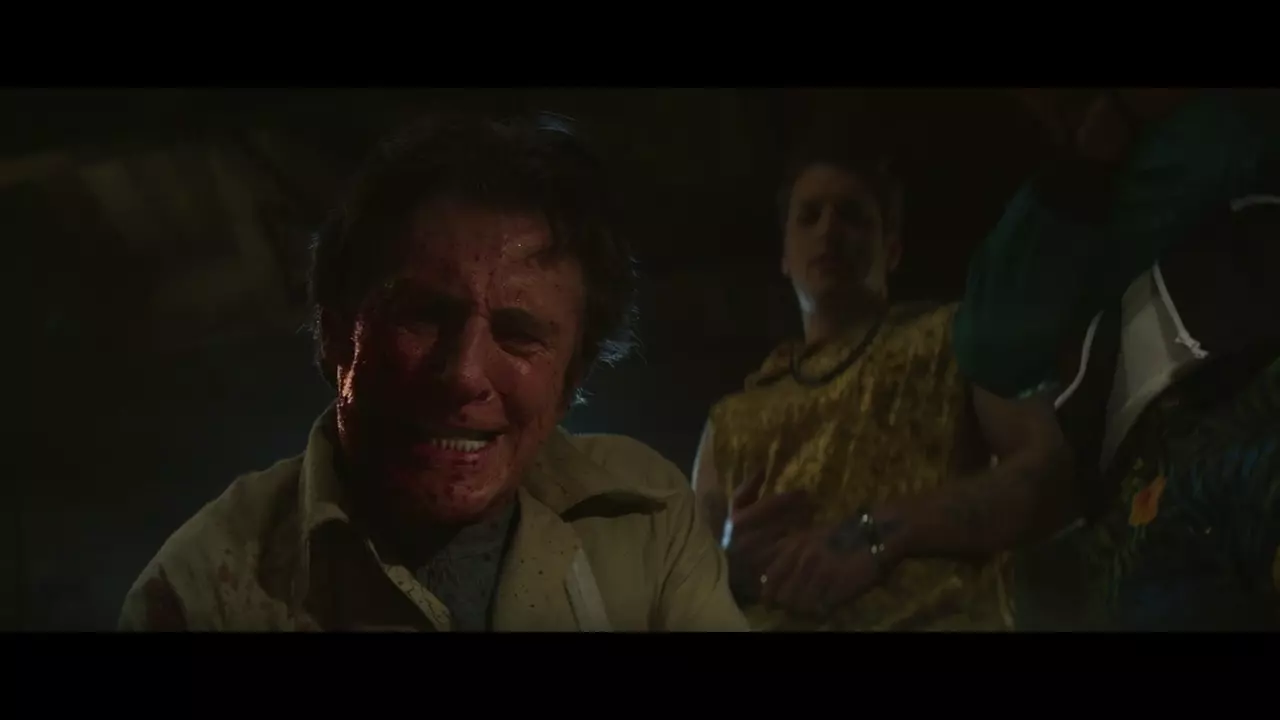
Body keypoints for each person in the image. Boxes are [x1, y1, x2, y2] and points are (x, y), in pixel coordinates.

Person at [118, 113, 748, 632]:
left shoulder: (646, 519)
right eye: (422, 316)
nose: (464, 375)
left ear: (572, 376)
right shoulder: (202, 592)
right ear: (336, 334)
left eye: (518, 334)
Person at [692, 129, 1073, 631]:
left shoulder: (958, 337)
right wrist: (729, 570)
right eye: (809, 216)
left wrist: (882, 530)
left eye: (852, 214)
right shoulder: (729, 421)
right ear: (784, 254)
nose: (829, 229)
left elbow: (1050, 474)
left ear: (891, 248)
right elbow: (678, 592)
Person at [956, 88, 1280, 630]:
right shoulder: (1090, 188)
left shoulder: (1228, 132)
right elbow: (993, 343)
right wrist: (1087, 166)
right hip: (1150, 492)